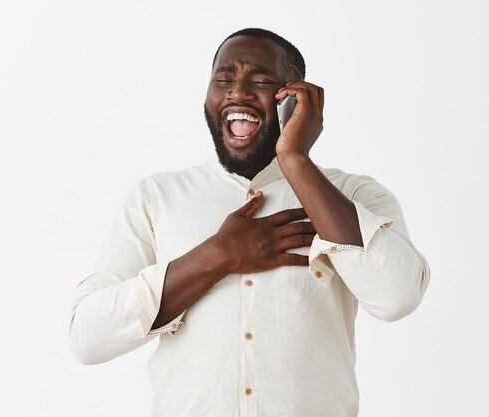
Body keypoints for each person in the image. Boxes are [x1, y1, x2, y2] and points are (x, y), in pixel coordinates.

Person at [68, 28, 430, 417]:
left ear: (296, 98)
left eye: (260, 81)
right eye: (222, 80)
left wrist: (295, 160)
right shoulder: (155, 198)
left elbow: (398, 297)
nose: (237, 93)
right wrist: (216, 256)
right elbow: (88, 338)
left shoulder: (355, 196)